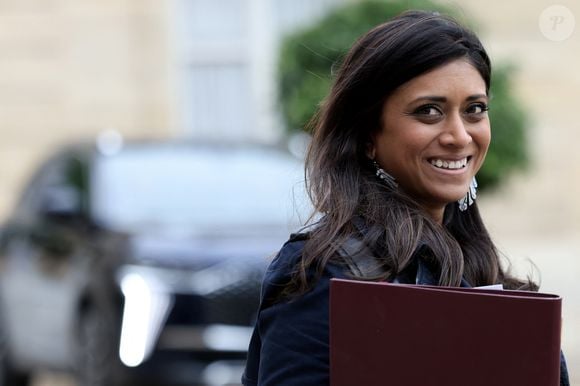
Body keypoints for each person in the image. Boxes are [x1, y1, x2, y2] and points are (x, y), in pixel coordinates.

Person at [242, 10, 570, 386]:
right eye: (429, 111)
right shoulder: (325, 274)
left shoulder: (482, 274)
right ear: (368, 134)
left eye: (474, 110)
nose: (460, 136)